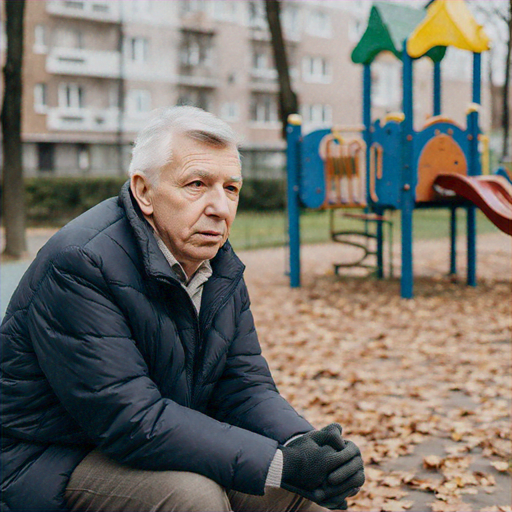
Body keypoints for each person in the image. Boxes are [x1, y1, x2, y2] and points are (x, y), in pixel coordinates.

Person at [0, 106, 364, 512]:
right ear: (143, 191)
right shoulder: (82, 263)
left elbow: (243, 385)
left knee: (294, 493)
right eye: (197, 184)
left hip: (156, 436)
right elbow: (131, 419)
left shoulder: (216, 261)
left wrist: (307, 448)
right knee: (193, 498)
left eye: (231, 188)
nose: (220, 208)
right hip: (50, 457)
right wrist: (278, 463)